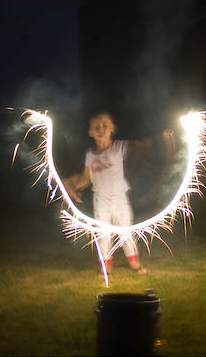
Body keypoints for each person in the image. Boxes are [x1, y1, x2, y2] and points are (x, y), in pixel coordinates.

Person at [63, 111, 172, 275]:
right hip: (100, 200)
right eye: (96, 127)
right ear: (90, 132)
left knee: (126, 232)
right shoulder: (91, 155)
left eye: (105, 126)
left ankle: (135, 264)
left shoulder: (119, 147)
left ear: (112, 129)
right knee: (103, 235)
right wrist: (71, 186)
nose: (101, 129)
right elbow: (86, 178)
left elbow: (141, 146)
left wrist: (159, 139)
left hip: (120, 198)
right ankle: (106, 267)